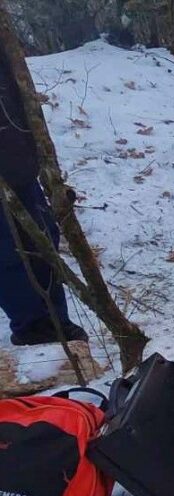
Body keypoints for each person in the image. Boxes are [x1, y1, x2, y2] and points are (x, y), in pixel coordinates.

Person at [0, 54, 87, 347]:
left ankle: (55, 320)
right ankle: (31, 326)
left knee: (43, 238)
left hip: (21, 163)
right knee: (8, 253)